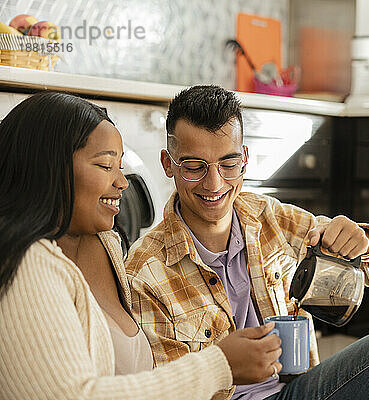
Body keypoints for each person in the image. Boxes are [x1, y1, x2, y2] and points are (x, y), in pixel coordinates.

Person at [125, 85, 369, 400]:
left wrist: (367, 242)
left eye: (227, 164)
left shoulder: (270, 219)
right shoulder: (145, 273)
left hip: (301, 391)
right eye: (194, 167)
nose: (214, 183)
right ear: (168, 163)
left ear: (244, 159)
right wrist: (226, 366)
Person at [0, 92, 240, 399]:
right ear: (48, 167)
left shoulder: (106, 244)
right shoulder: (25, 264)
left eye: (120, 165)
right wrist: (219, 365)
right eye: (105, 165)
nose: (123, 182)